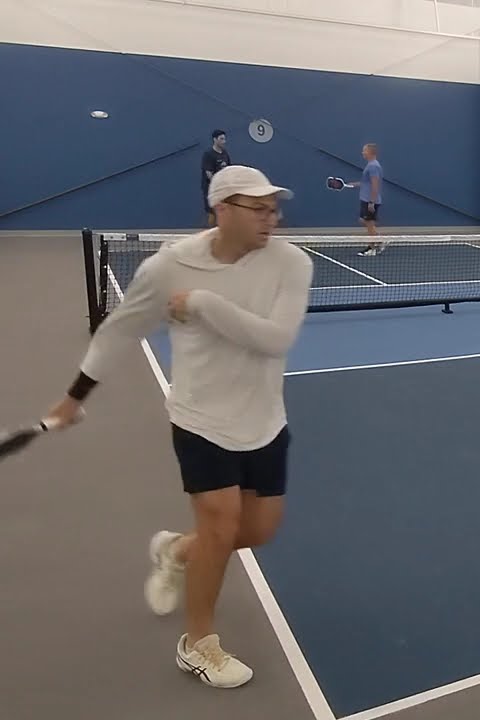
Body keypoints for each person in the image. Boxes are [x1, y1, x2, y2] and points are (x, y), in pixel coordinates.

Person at [44, 165, 312, 688]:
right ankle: (198, 645)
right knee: (219, 527)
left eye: (274, 208)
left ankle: (175, 551)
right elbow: (119, 331)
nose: (272, 218)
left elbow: (276, 340)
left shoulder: (292, 263)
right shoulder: (169, 267)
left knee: (256, 531)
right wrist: (73, 399)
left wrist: (203, 304)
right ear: (221, 210)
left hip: (265, 422)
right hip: (200, 421)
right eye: (258, 208)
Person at [354, 143, 385, 256]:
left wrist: (372, 202)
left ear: (371, 152)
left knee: (369, 224)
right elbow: (367, 182)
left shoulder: (373, 166)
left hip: (369, 200)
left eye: (364, 151)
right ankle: (379, 241)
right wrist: (355, 184)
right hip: (365, 199)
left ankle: (372, 248)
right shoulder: (370, 165)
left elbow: (375, 184)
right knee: (363, 221)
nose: (362, 152)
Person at [200, 130, 232, 227]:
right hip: (211, 188)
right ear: (215, 139)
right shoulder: (208, 154)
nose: (224, 141)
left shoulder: (225, 153)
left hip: (223, 188)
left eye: (224, 139)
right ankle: (211, 232)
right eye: (221, 139)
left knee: (224, 210)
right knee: (213, 211)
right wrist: (217, 185)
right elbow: (208, 173)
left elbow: (228, 168)